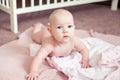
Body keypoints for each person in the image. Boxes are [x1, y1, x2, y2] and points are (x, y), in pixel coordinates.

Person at [26, 9, 90, 80]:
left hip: (49, 30)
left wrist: (85, 59)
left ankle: (46, 26)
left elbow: (83, 49)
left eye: (69, 26)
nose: (65, 31)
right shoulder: (50, 44)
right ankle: (38, 26)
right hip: (44, 35)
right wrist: (33, 71)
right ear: (51, 31)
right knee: (35, 36)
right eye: (59, 27)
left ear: (74, 27)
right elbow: (38, 57)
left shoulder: (73, 40)